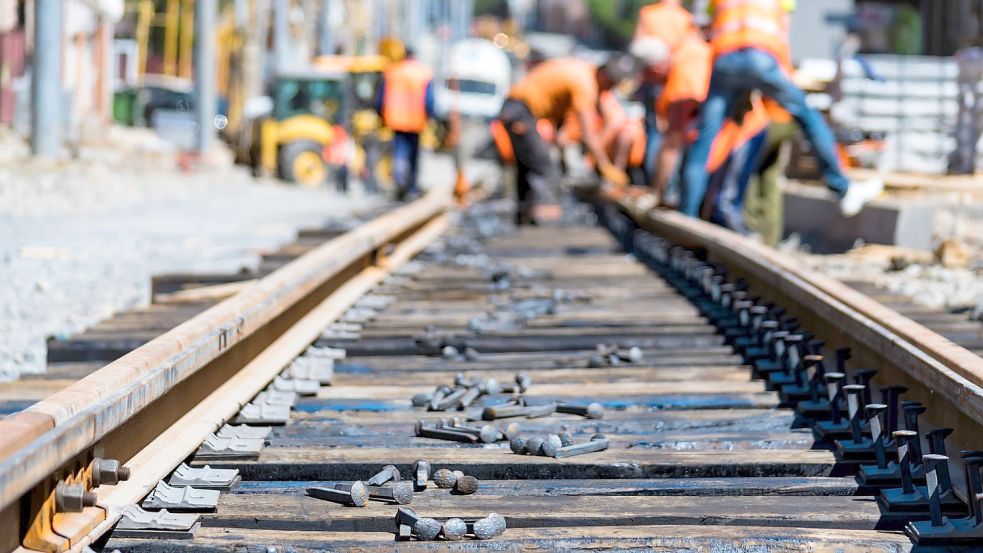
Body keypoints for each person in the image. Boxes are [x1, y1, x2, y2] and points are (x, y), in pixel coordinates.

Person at [680, 0, 882, 218]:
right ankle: (842, 188)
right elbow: (782, 34)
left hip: (725, 59)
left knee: (704, 140)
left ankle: (687, 216)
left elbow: (710, 24)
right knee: (808, 116)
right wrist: (784, 80)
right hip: (760, 56)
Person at [498, 56, 636, 224]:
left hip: (516, 108)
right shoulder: (585, 83)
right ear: (604, 76)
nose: (608, 90)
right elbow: (588, 134)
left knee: (528, 165)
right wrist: (604, 165)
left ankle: (524, 215)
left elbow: (559, 106)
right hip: (520, 111)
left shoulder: (582, 71)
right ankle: (544, 216)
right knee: (544, 166)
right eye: (610, 85)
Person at [633, 0, 695, 182]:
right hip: (674, 78)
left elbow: (637, 47)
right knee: (672, 134)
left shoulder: (649, 13)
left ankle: (651, 179)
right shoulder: (686, 18)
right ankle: (664, 182)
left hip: (654, 77)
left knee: (654, 130)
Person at [377, 49, 434, 200]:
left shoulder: (392, 71)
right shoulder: (423, 73)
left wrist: (380, 115)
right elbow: (429, 100)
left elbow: (381, 98)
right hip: (416, 121)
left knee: (399, 152)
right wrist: (431, 116)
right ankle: (412, 186)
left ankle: (400, 182)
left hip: (396, 119)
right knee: (414, 155)